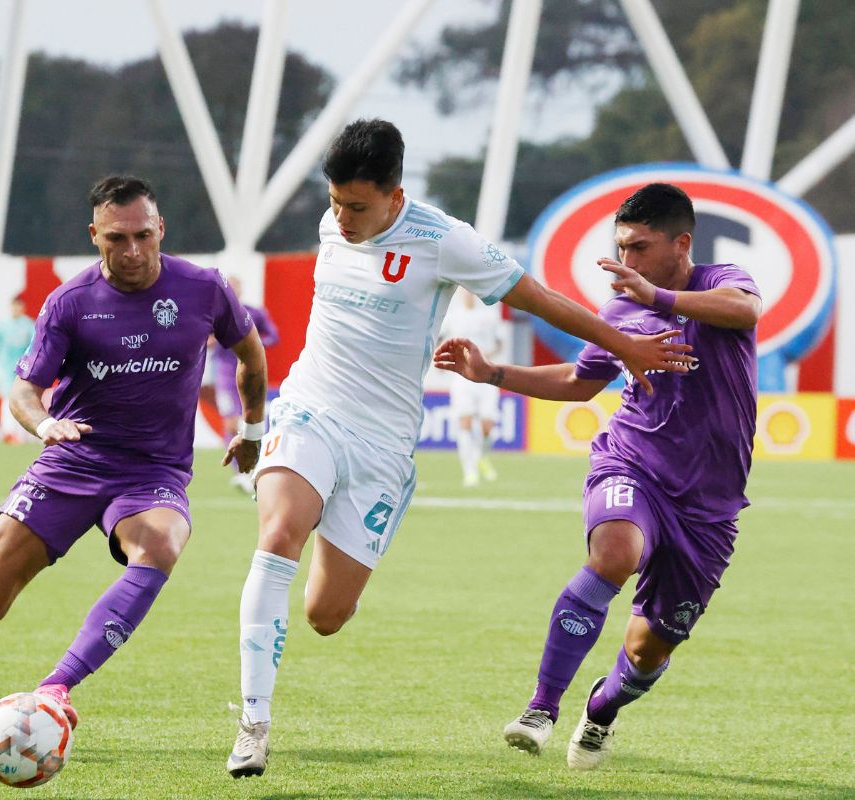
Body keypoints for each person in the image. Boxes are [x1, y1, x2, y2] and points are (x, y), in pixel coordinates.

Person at [225, 119, 693, 778]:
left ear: (395, 194)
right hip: (309, 409)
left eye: (357, 206)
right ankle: (253, 722)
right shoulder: (334, 227)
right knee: (277, 535)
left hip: (383, 444)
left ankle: (339, 540)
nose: (342, 218)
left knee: (326, 615)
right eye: (335, 203)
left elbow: (539, 299)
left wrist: (625, 346)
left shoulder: (445, 241)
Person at [0, 175, 267, 751]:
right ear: (95, 235)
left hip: (152, 472)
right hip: (71, 462)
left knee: (162, 545)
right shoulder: (71, 302)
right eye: (118, 238)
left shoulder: (204, 289)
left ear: (161, 228)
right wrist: (44, 423)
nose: (134, 251)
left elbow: (250, 353)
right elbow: (22, 390)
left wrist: (253, 428)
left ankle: (56, 689)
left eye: (144, 235)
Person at [435, 182, 760, 770]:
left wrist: (659, 297)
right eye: (621, 247)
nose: (626, 260)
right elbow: (581, 384)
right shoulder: (620, 310)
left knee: (648, 648)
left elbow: (745, 311)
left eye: (638, 247)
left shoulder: (721, 281)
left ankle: (601, 712)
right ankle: (540, 708)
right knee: (613, 553)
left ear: (681, 243)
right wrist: (492, 374)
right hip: (633, 463)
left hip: (710, 504)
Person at [211, 275, 280, 493]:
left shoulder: (254, 313)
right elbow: (201, 337)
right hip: (224, 375)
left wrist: (257, 343)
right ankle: (240, 473)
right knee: (230, 423)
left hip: (251, 371)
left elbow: (273, 335)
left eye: (236, 285)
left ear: (240, 289)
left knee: (251, 420)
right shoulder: (214, 313)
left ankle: (257, 468)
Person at [441, 288, 508, 486]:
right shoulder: (453, 317)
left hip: (487, 376)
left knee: (487, 426)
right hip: (462, 377)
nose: (468, 294)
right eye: (465, 291)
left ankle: (481, 457)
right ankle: (469, 471)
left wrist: (486, 356)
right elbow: (439, 339)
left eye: (471, 291)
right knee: (465, 422)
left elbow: (500, 343)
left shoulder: (489, 316)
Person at [0, 295, 35, 443]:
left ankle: (21, 434)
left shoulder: (29, 325)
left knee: (23, 399)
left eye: (18, 306)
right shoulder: (2, 326)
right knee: (7, 399)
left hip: (24, 369)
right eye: (13, 306)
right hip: (6, 369)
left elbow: (35, 347)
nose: (16, 309)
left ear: (23, 308)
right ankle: (8, 432)